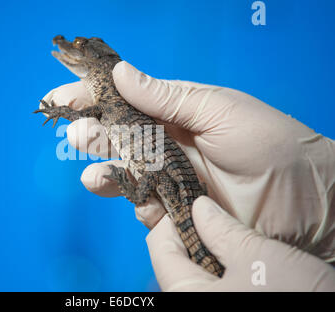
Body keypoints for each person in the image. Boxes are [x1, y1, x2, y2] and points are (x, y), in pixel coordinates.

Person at [41, 61, 335, 291]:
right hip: (168, 173)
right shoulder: (105, 103)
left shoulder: (109, 101)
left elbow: (81, 115)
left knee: (149, 196)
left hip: (165, 174)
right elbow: (82, 114)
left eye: (81, 45)